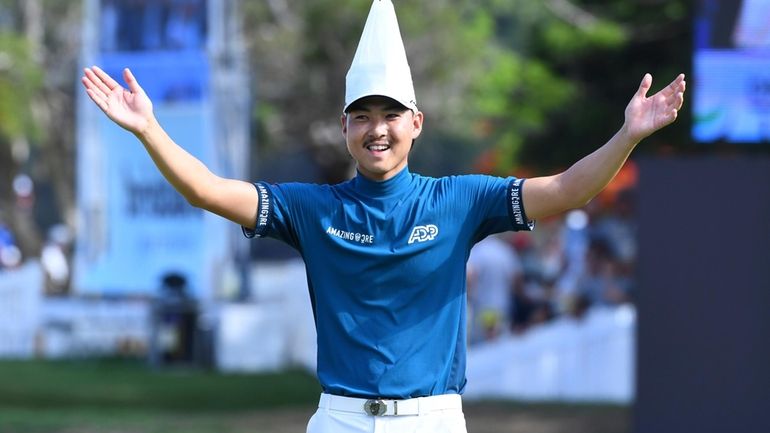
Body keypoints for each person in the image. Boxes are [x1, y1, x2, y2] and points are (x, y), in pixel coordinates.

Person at [81, 1, 685, 432]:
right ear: (344, 126)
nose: (378, 129)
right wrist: (149, 129)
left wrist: (627, 136)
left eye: (391, 114)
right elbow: (208, 191)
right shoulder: (311, 208)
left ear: (415, 124)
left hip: (433, 420)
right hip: (339, 418)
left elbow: (564, 191)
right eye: (363, 115)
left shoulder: (458, 199)